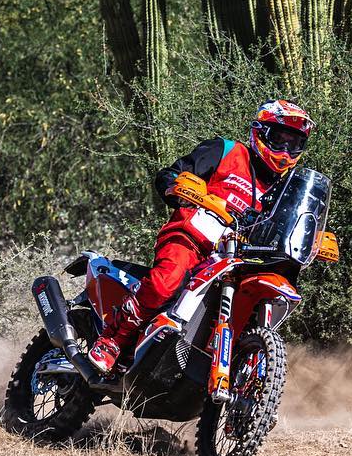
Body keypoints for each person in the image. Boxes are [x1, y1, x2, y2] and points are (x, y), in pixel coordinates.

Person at [86, 98, 314, 375]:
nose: (286, 150)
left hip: (240, 259)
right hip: (192, 238)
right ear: (260, 133)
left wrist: (314, 237)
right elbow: (171, 174)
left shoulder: (285, 189)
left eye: (294, 143)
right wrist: (177, 186)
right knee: (166, 282)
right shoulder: (227, 151)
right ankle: (112, 341)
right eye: (280, 139)